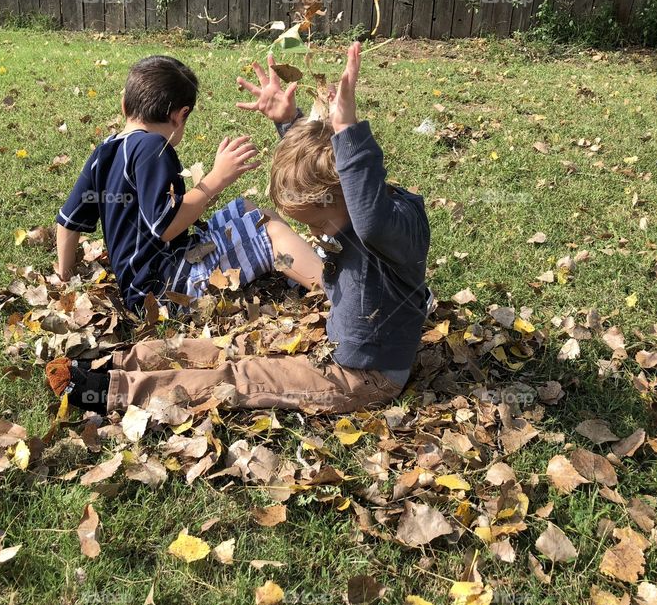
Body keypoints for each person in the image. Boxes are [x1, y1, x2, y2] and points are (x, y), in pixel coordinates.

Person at [46, 43, 429, 415]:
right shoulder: (353, 208)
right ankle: (114, 362)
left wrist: (348, 130)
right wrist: (289, 123)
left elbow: (367, 213)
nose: (320, 235)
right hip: (331, 336)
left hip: (363, 376)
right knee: (222, 353)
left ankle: (114, 389)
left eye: (320, 223)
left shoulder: (382, 227)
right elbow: (323, 169)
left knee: (241, 377)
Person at [54, 55, 322, 312]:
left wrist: (64, 277)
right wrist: (215, 180)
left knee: (246, 209)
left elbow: (68, 221)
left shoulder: (105, 151)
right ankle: (331, 291)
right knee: (269, 228)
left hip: (142, 286)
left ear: (125, 104)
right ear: (180, 115)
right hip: (169, 288)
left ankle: (296, 272)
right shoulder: (153, 147)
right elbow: (167, 226)